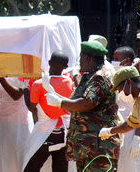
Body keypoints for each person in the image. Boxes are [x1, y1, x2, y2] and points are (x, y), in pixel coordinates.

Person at [45, 41, 121, 171]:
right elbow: (78, 100)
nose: (79, 61)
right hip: (86, 147)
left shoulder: (101, 77)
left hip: (99, 147)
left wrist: (60, 103)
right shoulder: (89, 77)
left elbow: (87, 103)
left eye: (81, 58)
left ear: (89, 59)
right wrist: (58, 97)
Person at [22, 50, 74, 172]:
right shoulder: (69, 82)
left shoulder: (38, 84)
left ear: (49, 63)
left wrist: (25, 89)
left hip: (44, 133)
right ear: (66, 67)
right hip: (64, 133)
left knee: (31, 167)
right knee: (60, 168)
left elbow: (31, 107)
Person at [112, 46, 140, 172]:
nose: (114, 61)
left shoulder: (135, 83)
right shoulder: (116, 77)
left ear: (127, 61)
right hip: (117, 130)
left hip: (132, 133)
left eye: (117, 59)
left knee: (132, 167)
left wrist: (137, 139)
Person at [0, 77, 34, 172]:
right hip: (4, 125)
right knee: (5, 160)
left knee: (19, 159)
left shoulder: (21, 73)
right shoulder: (1, 74)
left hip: (20, 125)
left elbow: (16, 95)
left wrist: (1, 78)